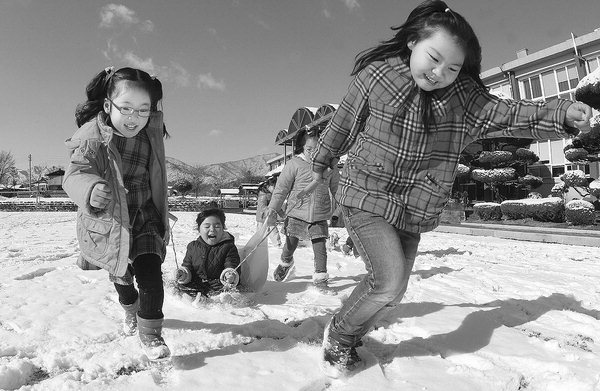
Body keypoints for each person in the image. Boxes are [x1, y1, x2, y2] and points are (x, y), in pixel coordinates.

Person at [309, 0, 592, 376]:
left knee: (394, 292)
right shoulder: (377, 77)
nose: (439, 72)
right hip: (367, 194)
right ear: (412, 42)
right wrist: (320, 163)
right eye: (434, 57)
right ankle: (340, 338)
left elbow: (509, 113)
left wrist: (560, 114)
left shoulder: (465, 100)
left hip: (415, 206)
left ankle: (353, 331)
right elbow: (343, 124)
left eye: (453, 67)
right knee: (387, 280)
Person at [63, 66, 172, 360]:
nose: (134, 117)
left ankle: (151, 335)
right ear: (109, 105)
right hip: (111, 219)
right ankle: (130, 309)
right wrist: (89, 189)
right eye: (126, 108)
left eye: (143, 109)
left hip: (144, 213)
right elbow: (74, 174)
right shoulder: (92, 137)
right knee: (123, 279)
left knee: (150, 273)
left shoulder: (151, 132)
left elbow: (156, 171)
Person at [265, 130, 340, 289]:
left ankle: (321, 278)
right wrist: (273, 208)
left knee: (320, 247)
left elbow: (337, 189)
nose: (314, 153)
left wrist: (342, 207)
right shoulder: (294, 164)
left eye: (318, 149)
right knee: (291, 243)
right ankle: (286, 261)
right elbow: (281, 189)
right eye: (309, 149)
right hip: (296, 212)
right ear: (302, 148)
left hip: (319, 214)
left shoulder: (330, 167)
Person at [175, 208, 241, 298]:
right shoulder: (193, 247)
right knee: (179, 288)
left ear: (223, 228)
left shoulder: (228, 247)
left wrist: (230, 275)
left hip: (219, 285)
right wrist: (183, 274)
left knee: (228, 294)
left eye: (217, 226)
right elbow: (187, 266)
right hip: (196, 284)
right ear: (199, 229)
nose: (212, 230)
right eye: (207, 227)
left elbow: (232, 264)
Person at [256, 175, 282, 247]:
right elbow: (262, 206)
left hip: (271, 218)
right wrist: (268, 210)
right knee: (261, 232)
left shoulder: (273, 195)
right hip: (263, 218)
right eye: (274, 187)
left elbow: (277, 206)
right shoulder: (263, 194)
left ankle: (277, 244)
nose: (275, 189)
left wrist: (282, 214)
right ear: (269, 185)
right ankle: (258, 244)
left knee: (273, 231)